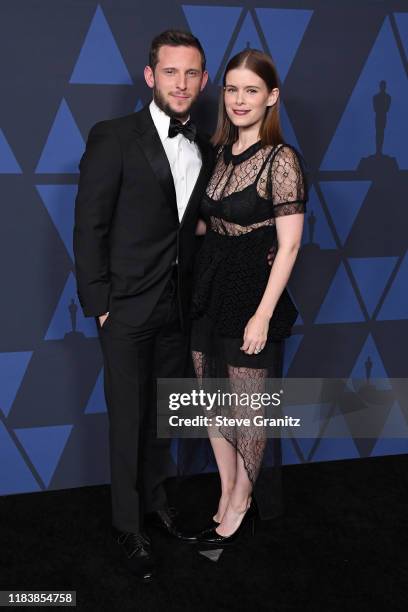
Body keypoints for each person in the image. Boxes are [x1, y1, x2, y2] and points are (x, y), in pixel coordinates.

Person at [73, 30, 213, 579]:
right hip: (126, 308)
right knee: (127, 420)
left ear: (203, 81)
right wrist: (100, 303)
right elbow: (89, 225)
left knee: (161, 418)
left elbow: (185, 222)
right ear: (150, 76)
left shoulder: (201, 144)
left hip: (176, 309)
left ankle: (155, 505)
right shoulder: (113, 136)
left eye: (192, 74)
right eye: (171, 73)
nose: (182, 83)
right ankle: (126, 525)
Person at [190, 48, 308, 545]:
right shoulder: (217, 152)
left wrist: (261, 315)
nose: (239, 100)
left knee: (247, 408)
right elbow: (204, 222)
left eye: (251, 90)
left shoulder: (281, 160)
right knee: (210, 400)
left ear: (271, 97)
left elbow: (290, 244)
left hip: (251, 297)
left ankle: (243, 500)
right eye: (232, 89)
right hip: (209, 288)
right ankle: (226, 490)